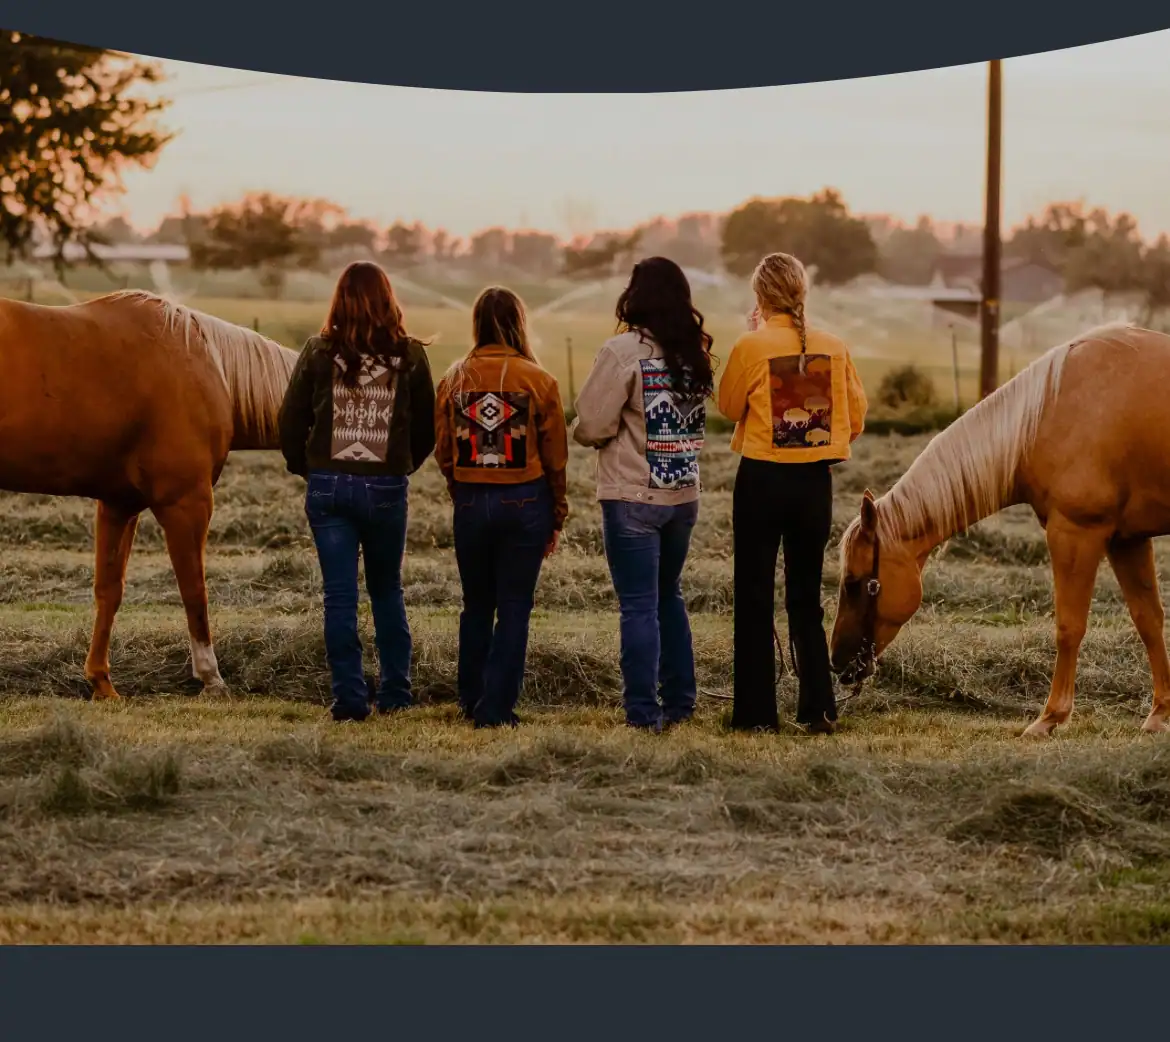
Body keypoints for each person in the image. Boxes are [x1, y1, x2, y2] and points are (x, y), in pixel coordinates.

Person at [278, 261, 436, 722]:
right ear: (388, 299)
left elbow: (289, 420)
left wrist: (307, 468)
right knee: (387, 591)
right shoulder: (410, 356)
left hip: (328, 487)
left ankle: (348, 698)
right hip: (386, 487)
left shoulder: (318, 352)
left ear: (339, 301)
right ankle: (395, 693)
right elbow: (427, 428)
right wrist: (401, 466)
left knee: (339, 597)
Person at [717, 252, 867, 734]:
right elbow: (856, 419)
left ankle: (755, 714)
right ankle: (818, 708)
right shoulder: (834, 347)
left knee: (754, 595)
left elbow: (728, 407)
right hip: (813, 485)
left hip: (761, 480)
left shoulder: (750, 345)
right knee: (805, 598)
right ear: (802, 293)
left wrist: (755, 336)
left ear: (760, 296)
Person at [573, 257, 715, 732]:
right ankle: (680, 701)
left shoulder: (622, 352)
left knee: (637, 605)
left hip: (633, 496)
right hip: (683, 496)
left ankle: (641, 710)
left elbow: (593, 423)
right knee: (668, 596)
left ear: (636, 297)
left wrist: (582, 432)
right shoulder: (693, 353)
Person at [434, 287, 568, 729]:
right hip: (526, 501)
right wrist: (556, 513)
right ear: (519, 323)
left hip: (472, 501)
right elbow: (555, 458)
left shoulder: (454, 379)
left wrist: (461, 489)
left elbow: (444, 452)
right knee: (514, 606)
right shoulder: (539, 381)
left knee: (476, 604)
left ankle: (471, 698)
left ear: (477, 324)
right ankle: (496, 709)